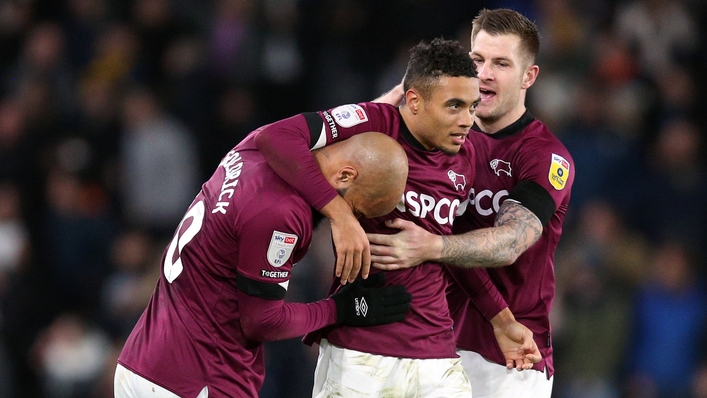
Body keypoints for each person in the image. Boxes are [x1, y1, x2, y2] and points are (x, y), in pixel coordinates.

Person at [254, 37, 493, 397]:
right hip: (360, 349)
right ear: (413, 101)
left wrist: (502, 319)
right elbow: (276, 137)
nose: (467, 120)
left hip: (436, 353)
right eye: (454, 106)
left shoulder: (468, 155)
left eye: (473, 106)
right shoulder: (372, 122)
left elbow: (454, 254)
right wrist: (341, 216)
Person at [113, 130, 413, 397]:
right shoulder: (281, 213)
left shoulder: (251, 151)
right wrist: (341, 309)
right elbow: (263, 321)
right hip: (195, 379)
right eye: (356, 211)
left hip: (143, 362)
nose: (353, 224)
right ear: (345, 176)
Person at [369, 8, 574, 398]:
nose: (484, 74)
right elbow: (356, 153)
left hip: (507, 357)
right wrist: (390, 105)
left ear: (529, 76)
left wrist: (432, 246)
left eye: (501, 63)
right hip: (427, 341)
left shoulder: (544, 155)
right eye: (476, 60)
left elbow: (512, 241)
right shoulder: (438, 135)